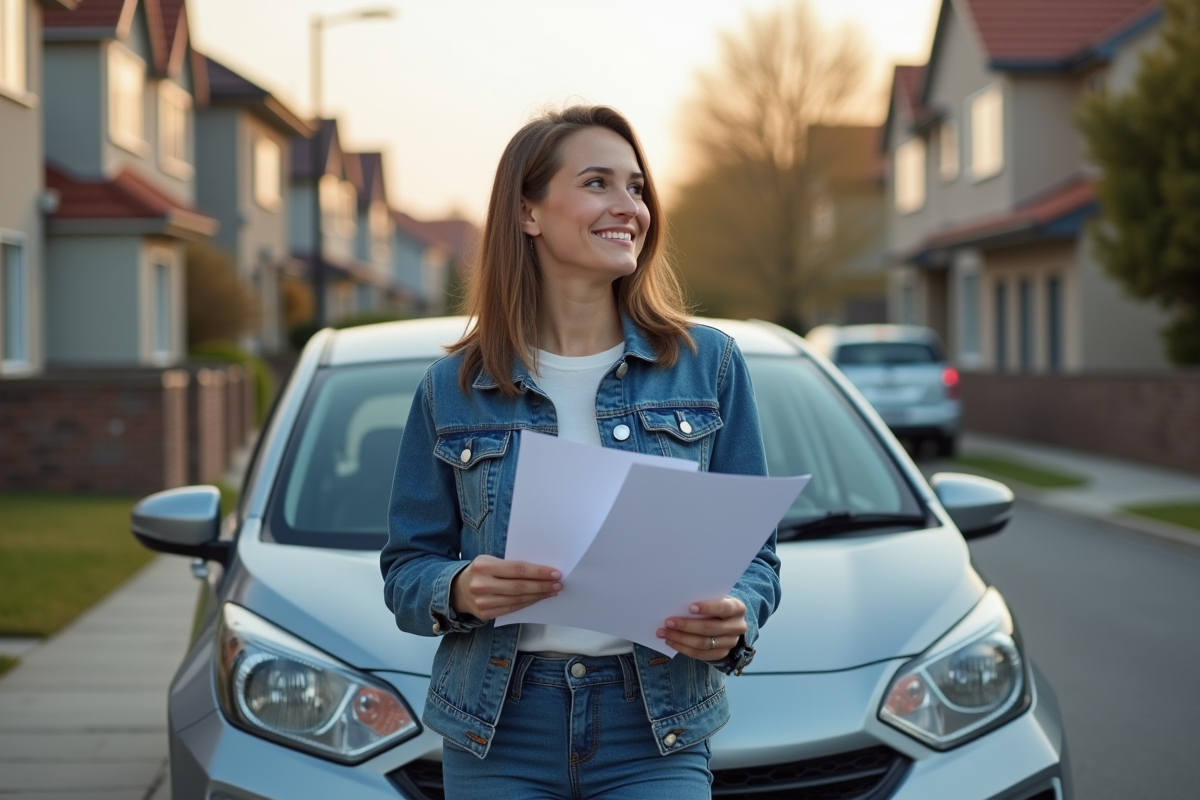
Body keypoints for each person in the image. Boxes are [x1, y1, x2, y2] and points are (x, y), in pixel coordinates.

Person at [380, 105, 780, 799]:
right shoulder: (453, 387)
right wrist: (461, 589)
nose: (629, 206)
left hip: (655, 724)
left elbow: (757, 560)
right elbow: (406, 569)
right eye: (599, 183)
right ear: (529, 212)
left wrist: (736, 614)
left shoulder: (708, 364)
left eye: (637, 187)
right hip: (499, 726)